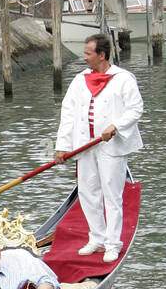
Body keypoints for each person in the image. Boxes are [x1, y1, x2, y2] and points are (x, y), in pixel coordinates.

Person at [55, 32, 143, 264]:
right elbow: (68, 114)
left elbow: (136, 109)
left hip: (110, 145)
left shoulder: (124, 78)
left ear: (101, 55)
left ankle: (113, 243)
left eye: (88, 53)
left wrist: (115, 125)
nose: (84, 57)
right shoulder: (79, 80)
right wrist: (62, 146)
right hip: (84, 144)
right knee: (87, 192)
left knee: (111, 195)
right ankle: (97, 237)